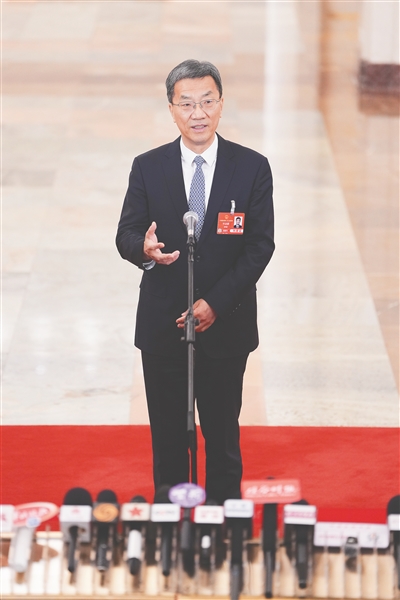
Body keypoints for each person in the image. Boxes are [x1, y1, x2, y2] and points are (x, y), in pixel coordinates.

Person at [116, 59, 274, 504]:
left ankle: (222, 522)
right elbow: (126, 233)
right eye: (186, 103)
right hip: (164, 325)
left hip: (226, 326)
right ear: (171, 109)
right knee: (168, 439)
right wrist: (142, 249)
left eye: (207, 101)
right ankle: (170, 523)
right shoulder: (148, 167)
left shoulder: (252, 167)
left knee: (222, 437)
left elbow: (259, 246)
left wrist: (215, 303)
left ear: (221, 104)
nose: (198, 113)